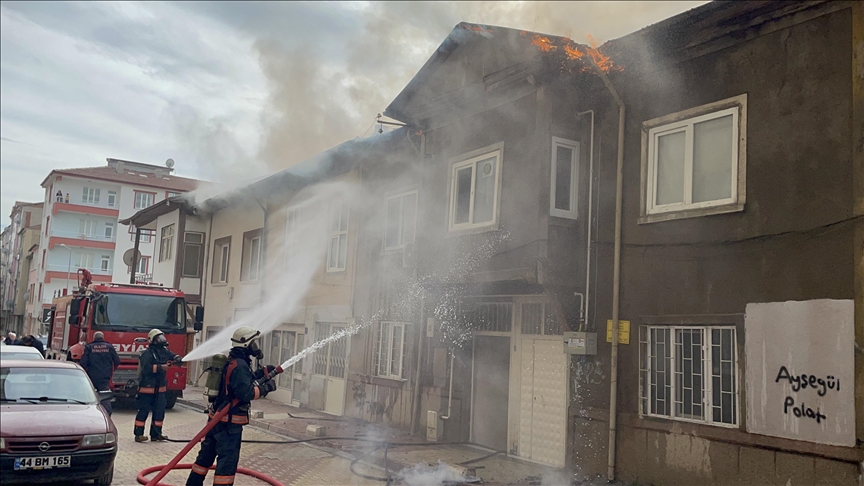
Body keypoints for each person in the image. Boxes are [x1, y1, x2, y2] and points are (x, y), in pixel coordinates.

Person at [186, 327, 277, 486]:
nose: (255, 346)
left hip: (216, 420)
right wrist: (266, 388)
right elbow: (245, 393)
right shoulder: (240, 365)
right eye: (253, 342)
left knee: (205, 457)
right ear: (246, 344)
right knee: (227, 463)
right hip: (229, 425)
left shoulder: (233, 361)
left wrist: (261, 374)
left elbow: (236, 384)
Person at [134, 329, 182, 442]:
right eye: (159, 338)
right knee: (143, 412)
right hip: (147, 389)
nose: (162, 340)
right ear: (152, 340)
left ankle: (156, 435)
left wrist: (177, 358)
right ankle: (138, 435)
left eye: (162, 337)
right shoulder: (147, 354)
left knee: (159, 413)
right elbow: (146, 369)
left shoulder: (164, 351)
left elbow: (172, 355)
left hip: (160, 390)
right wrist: (161, 367)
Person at [79, 331, 120, 415]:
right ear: (103, 338)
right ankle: (107, 414)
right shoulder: (109, 347)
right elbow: (117, 361)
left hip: (92, 376)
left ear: (94, 338)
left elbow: (83, 363)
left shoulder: (89, 347)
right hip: (105, 376)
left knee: (90, 395)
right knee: (105, 396)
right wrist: (111, 370)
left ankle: (89, 413)